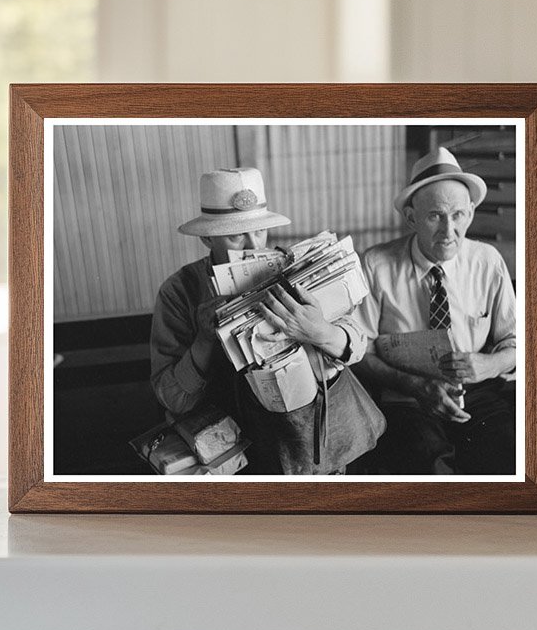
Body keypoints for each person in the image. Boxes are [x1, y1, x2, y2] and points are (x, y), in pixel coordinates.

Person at [150, 167, 368, 473]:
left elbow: (358, 344)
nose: (254, 246)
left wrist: (320, 331)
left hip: (307, 438)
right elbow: (173, 398)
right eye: (237, 235)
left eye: (260, 231)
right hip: (229, 448)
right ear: (207, 239)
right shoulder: (180, 290)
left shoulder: (293, 267)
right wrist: (203, 340)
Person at [351, 147, 517, 475]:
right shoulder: (375, 264)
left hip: (477, 391)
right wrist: (414, 386)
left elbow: (514, 342)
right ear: (411, 217)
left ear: (470, 213)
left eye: (458, 215)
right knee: (426, 470)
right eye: (434, 216)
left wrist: (487, 364)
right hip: (406, 398)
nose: (448, 231)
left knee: (509, 456)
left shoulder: (488, 262)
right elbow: (360, 351)